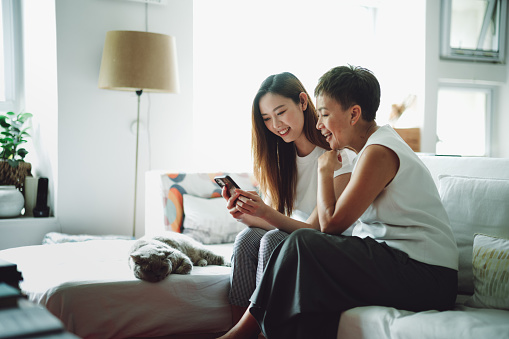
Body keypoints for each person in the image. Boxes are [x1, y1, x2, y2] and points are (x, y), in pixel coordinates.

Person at [220, 65, 459, 339]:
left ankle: (241, 334)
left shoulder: (379, 151)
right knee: (300, 260)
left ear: (354, 114)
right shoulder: (368, 150)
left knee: (301, 243)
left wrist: (324, 171)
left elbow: (330, 226)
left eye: (323, 115)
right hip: (396, 260)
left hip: (427, 276)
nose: (319, 124)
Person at [220, 72, 355, 331]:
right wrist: (245, 214)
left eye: (281, 112)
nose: (276, 124)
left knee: (273, 241)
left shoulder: (336, 157)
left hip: (327, 246)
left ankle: (260, 332)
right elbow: (277, 222)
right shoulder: (281, 160)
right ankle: (237, 329)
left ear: (303, 102)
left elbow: (316, 229)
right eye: (267, 119)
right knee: (247, 238)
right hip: (294, 239)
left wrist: (265, 212)